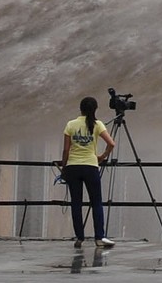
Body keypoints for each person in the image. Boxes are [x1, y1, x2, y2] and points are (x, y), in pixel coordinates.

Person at [61, 96, 118, 248]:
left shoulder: (71, 124)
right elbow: (111, 143)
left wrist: (63, 166)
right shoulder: (97, 124)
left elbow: (66, 149)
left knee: (76, 203)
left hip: (73, 167)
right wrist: (101, 157)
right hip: (91, 167)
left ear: (80, 108)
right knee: (96, 202)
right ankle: (99, 237)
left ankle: (79, 238)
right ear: (95, 109)